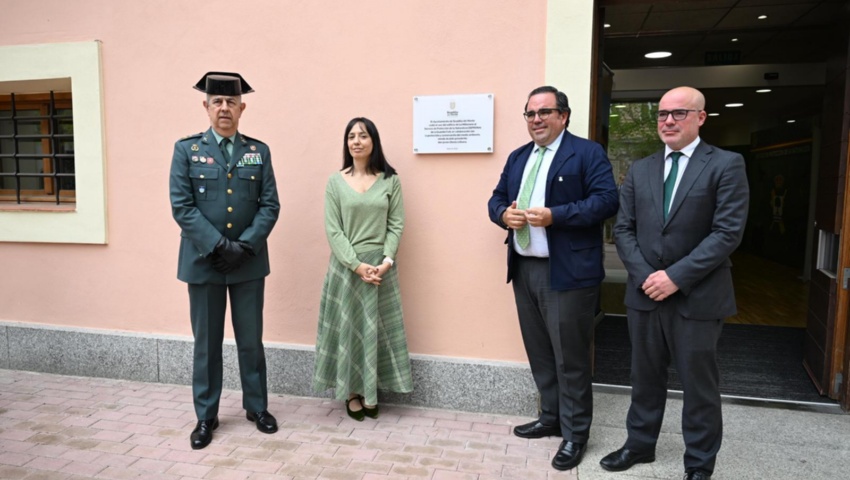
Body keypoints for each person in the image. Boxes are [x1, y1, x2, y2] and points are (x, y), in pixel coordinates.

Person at [604, 86, 749, 480]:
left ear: (701, 117)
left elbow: (727, 233)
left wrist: (675, 277)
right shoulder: (641, 169)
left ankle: (699, 462)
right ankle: (639, 445)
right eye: (662, 114)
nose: (668, 120)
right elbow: (624, 229)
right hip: (645, 295)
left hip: (698, 297)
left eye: (679, 113)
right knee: (644, 377)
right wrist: (646, 276)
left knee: (698, 384)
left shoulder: (726, 164)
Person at [487, 86, 618, 471]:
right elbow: (496, 199)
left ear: (563, 115)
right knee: (540, 351)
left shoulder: (587, 153)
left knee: (570, 357)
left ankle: (575, 434)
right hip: (524, 268)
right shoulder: (519, 157)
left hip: (568, 272)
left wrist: (555, 216)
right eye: (530, 114)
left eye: (544, 112)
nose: (536, 119)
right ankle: (551, 417)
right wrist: (503, 215)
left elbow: (607, 201)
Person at [169, 72, 281, 450]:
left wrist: (243, 247)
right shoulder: (186, 150)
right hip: (204, 263)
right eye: (216, 101)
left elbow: (270, 205)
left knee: (251, 341)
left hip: (248, 263)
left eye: (231, 102)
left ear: (242, 108)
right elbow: (182, 207)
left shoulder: (258, 151)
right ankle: (206, 415)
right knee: (207, 344)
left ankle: (257, 407)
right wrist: (219, 247)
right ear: (206, 107)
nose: (224, 108)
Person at [313, 117, 413, 421]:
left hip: (380, 270)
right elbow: (333, 230)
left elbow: (396, 224)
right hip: (347, 268)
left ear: (373, 141)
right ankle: (352, 393)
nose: (356, 141)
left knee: (375, 332)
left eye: (363, 136)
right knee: (350, 330)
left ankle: (371, 391)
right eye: (351, 136)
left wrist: (386, 262)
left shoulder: (390, 180)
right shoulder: (335, 182)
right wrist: (356, 265)